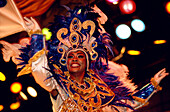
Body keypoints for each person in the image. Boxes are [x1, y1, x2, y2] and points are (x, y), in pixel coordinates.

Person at [0, 4, 169, 112]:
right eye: (70, 56)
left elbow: (127, 105)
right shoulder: (58, 86)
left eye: (79, 55)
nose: (74, 58)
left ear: (87, 62)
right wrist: (36, 35)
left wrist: (152, 85)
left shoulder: (101, 91)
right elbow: (39, 68)